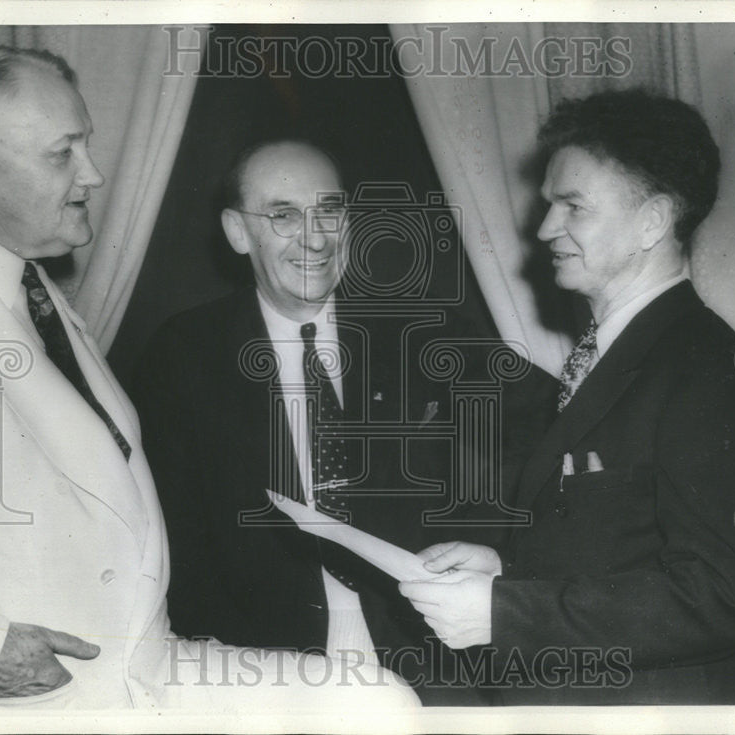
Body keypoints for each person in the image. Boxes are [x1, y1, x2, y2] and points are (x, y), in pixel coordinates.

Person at [0, 45, 418, 715]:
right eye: (64, 153)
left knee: (375, 705)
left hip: (141, 672)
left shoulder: (43, 303)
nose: (96, 173)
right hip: (9, 704)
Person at [134, 139, 553, 704]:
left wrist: (511, 564)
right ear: (237, 232)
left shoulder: (425, 329)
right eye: (283, 215)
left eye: (329, 211)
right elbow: (173, 539)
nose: (316, 237)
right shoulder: (184, 353)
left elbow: (560, 427)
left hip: (431, 653)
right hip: (267, 668)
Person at [399, 89, 735, 705]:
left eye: (574, 206)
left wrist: (505, 612)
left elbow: (721, 595)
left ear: (652, 221)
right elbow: (618, 547)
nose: (545, 228)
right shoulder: (612, 351)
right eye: (550, 205)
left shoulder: (708, 365)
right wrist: (504, 573)